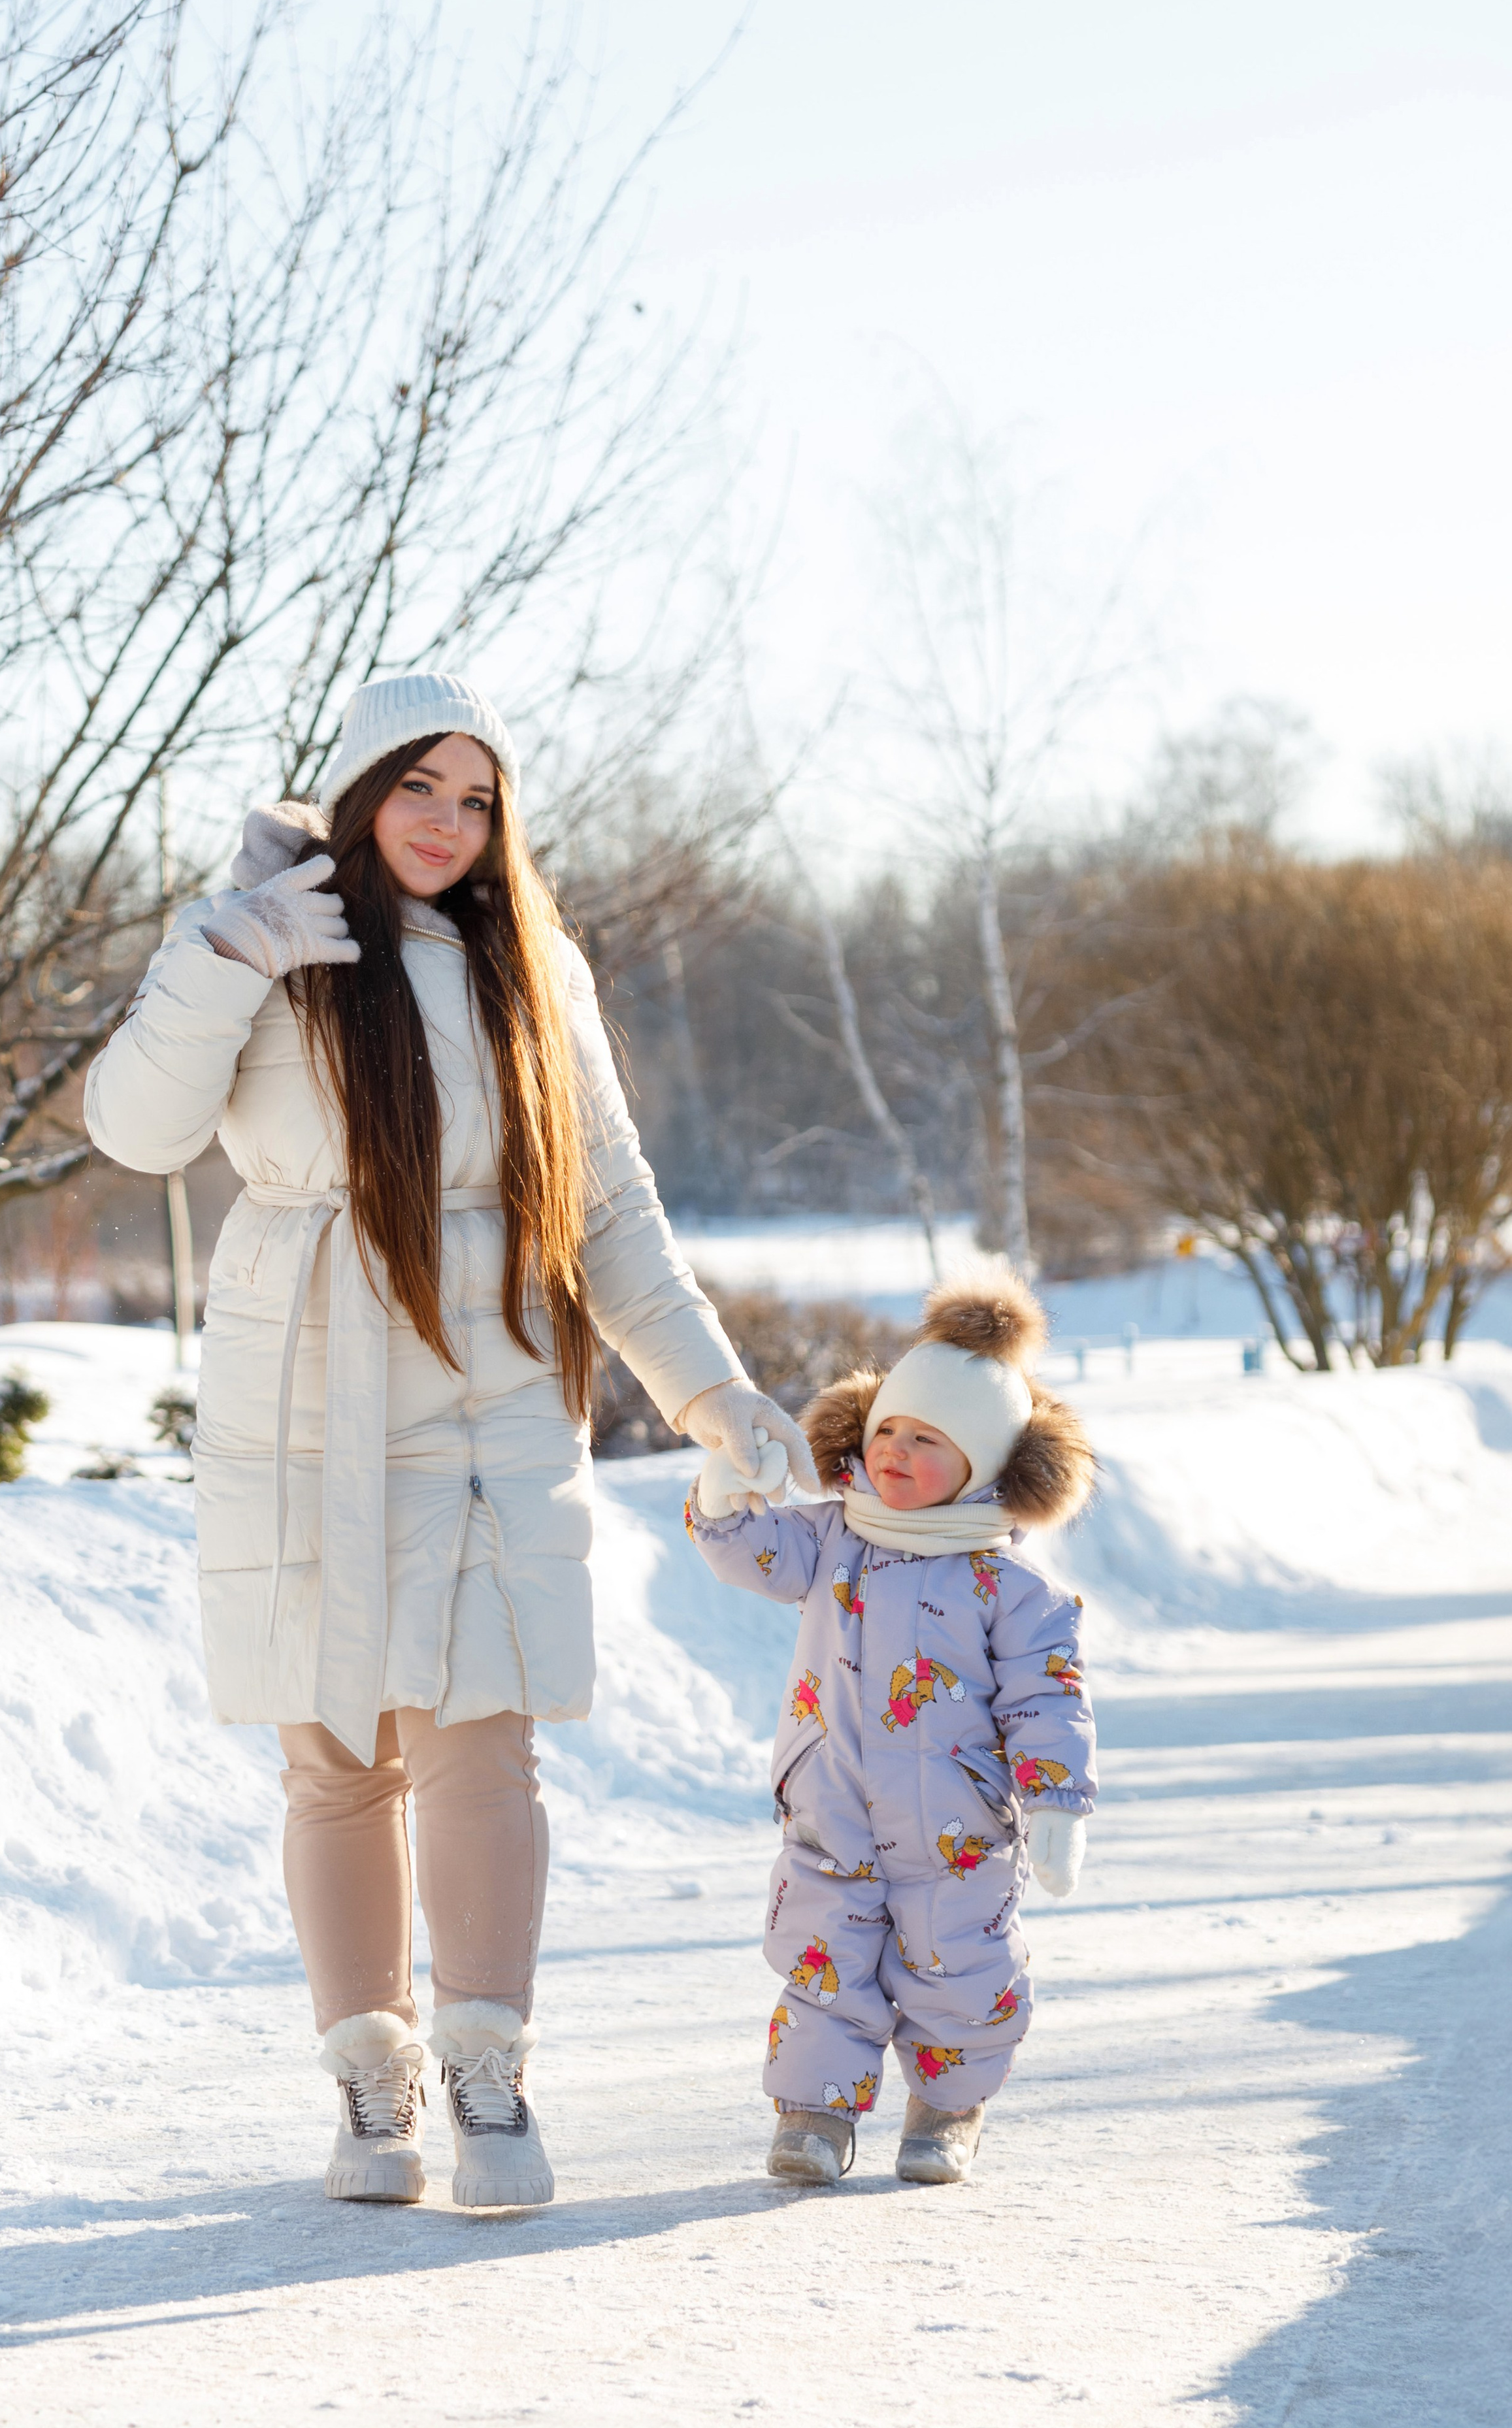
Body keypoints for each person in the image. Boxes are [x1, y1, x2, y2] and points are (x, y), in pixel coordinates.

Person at [85, 672, 815, 2209]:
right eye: (418, 787)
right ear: (359, 793)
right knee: (335, 1754)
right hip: (301, 1389)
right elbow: (136, 1131)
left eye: (475, 797)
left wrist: (709, 1392)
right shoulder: (261, 938)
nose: (445, 821)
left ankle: (489, 2071)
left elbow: (607, 1208)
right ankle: (370, 2084)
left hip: (489, 1382)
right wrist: (226, 958)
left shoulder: (533, 965)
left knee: (484, 1738)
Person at [683, 1267, 1096, 2187]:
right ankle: (815, 2114)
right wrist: (723, 1485)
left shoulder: (1010, 1587)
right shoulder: (833, 1535)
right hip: (833, 1817)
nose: (898, 1450)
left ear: (986, 1464)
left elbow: (1047, 1698)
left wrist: (1057, 1801)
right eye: (890, 1431)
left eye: (929, 1440)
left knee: (960, 1970)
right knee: (827, 1967)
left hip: (959, 1833)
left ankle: (948, 2107)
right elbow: (742, 1549)